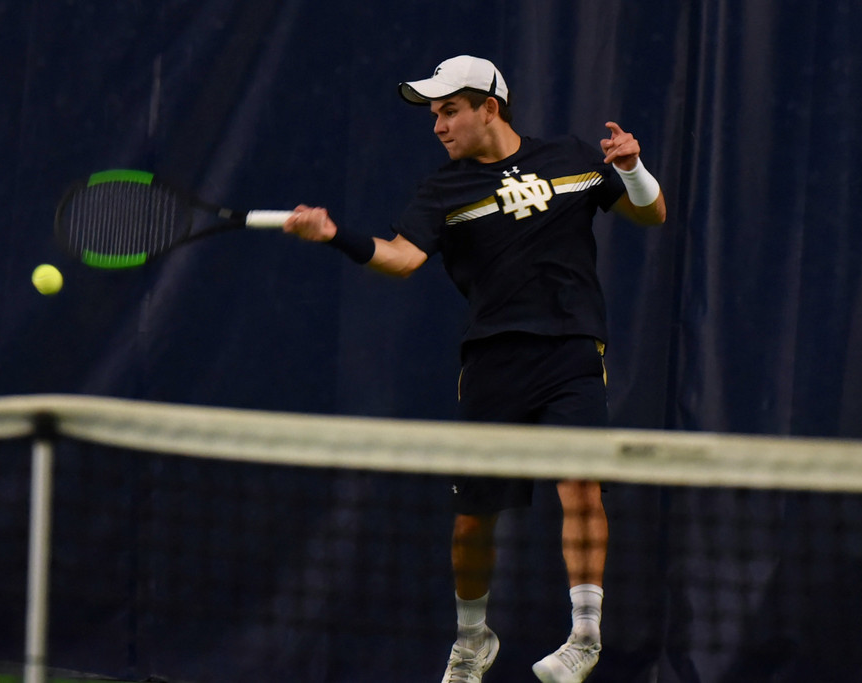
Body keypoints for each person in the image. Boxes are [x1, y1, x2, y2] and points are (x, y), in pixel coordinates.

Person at [283, 55, 666, 683]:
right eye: (434, 114)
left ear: (490, 106)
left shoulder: (570, 156)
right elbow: (402, 259)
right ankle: (471, 640)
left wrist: (632, 168)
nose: (438, 126)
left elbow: (649, 213)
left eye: (450, 110)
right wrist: (333, 235)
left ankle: (586, 636)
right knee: (471, 522)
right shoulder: (442, 190)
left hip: (572, 347)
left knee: (582, 484)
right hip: (493, 360)